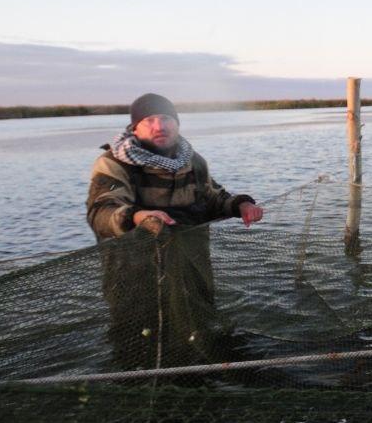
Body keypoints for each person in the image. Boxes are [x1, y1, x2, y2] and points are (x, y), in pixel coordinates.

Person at [86, 93, 265, 371]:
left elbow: (212, 197)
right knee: (136, 341)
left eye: (166, 118)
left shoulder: (193, 161)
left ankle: (201, 379)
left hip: (191, 268)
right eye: (149, 120)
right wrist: (138, 217)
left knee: (198, 330)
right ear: (135, 128)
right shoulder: (114, 163)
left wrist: (240, 204)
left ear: (177, 124)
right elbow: (100, 212)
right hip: (134, 274)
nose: (160, 126)